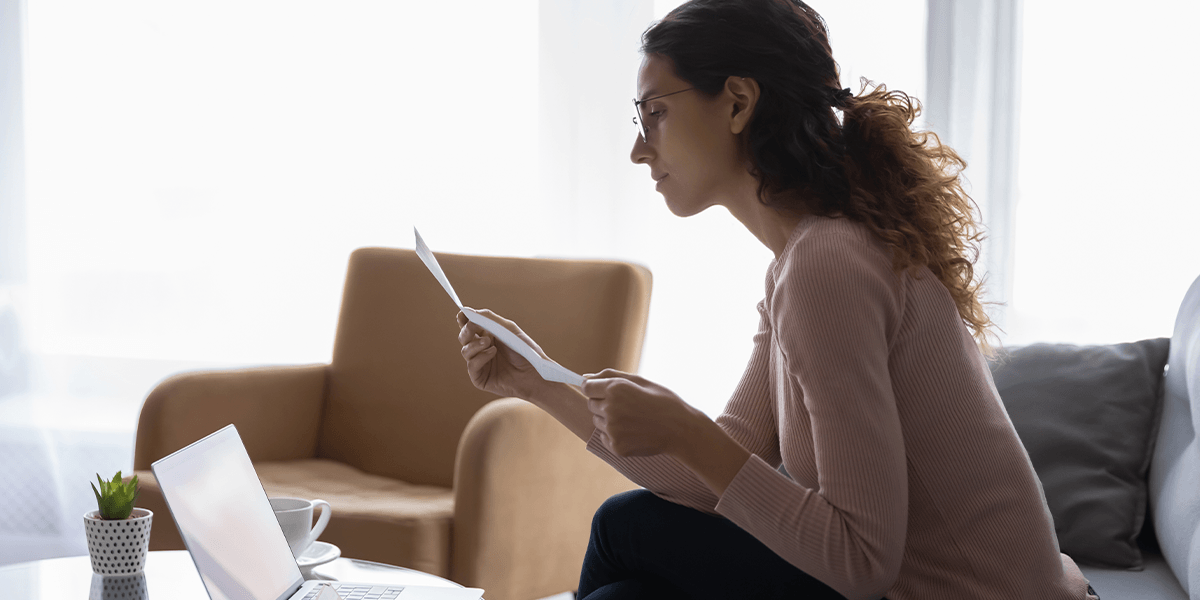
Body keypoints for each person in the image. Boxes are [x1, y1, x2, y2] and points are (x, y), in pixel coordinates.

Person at [456, 1, 1100, 599]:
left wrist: (683, 429)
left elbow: (862, 561)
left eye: (655, 113)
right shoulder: (808, 261)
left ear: (737, 103)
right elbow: (720, 464)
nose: (637, 148)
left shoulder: (827, 267)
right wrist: (538, 383)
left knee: (628, 527)